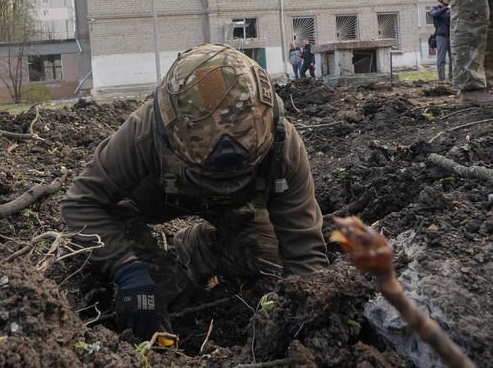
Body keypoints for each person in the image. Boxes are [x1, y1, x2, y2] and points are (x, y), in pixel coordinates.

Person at [60, 44, 329, 340]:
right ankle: (166, 276)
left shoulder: (283, 145)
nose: (223, 179)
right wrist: (128, 271)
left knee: (271, 258)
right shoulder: (146, 131)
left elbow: (304, 252)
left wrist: (308, 322)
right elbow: (81, 203)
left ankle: (198, 248)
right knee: (163, 291)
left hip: (237, 207)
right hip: (157, 196)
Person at [430, 0, 453, 81]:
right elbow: (435, 15)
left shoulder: (451, 9)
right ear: (441, 0)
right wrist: (446, 8)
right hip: (441, 35)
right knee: (441, 58)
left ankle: (452, 77)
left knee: (453, 58)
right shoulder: (435, 9)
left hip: (451, 35)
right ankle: (442, 79)